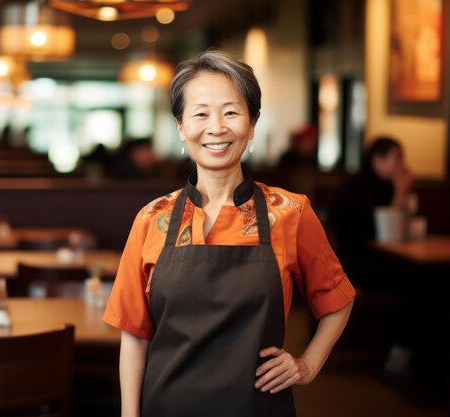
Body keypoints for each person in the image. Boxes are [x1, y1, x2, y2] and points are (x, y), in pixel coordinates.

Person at [103, 49, 355, 417]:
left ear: (252, 125)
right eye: (201, 113)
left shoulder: (290, 212)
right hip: (167, 405)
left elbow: (338, 300)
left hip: (257, 407)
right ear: (180, 127)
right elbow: (134, 336)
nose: (216, 127)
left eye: (231, 112)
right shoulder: (152, 218)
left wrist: (307, 365)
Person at [328, 136, 413, 290]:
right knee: (418, 276)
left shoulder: (387, 186)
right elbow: (385, 233)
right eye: (397, 158)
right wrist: (401, 193)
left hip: (380, 257)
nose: (402, 165)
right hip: (358, 262)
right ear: (377, 159)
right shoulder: (356, 187)